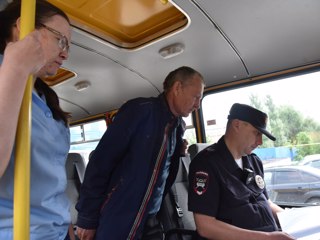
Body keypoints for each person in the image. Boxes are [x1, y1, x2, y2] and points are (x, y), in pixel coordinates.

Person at [76, 66, 205, 240]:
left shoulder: (177, 127)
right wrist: (87, 218)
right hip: (119, 216)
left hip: (150, 220)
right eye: (196, 97)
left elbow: (163, 174)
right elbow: (100, 163)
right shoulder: (140, 111)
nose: (198, 105)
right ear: (177, 88)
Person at [0, 1, 73, 239]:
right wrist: (16, 68)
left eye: (68, 46)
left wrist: (67, 227)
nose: (65, 53)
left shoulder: (44, 98)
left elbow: (53, 182)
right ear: (23, 27)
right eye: (60, 40)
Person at [188, 103, 296, 240]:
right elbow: (205, 226)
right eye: (257, 133)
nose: (260, 141)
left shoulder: (254, 162)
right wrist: (267, 237)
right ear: (237, 125)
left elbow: (266, 202)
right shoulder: (206, 164)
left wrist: (294, 218)